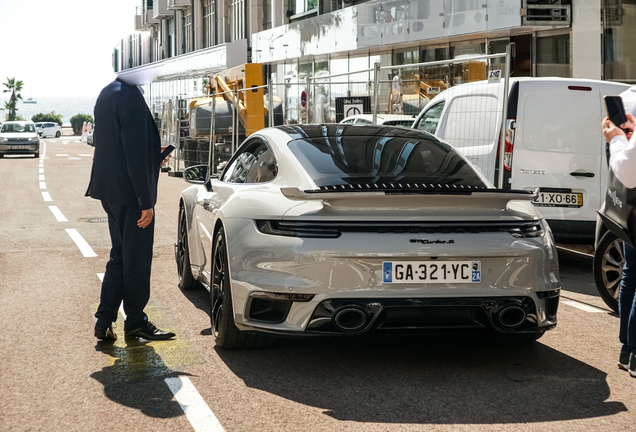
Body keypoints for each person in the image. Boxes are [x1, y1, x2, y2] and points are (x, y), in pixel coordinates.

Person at [86, 78, 175, 341]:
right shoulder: (132, 97)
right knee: (136, 260)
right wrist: (145, 202)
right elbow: (134, 155)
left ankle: (104, 321)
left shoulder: (107, 92)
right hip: (130, 194)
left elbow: (117, 146)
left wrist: (154, 155)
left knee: (120, 255)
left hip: (110, 190)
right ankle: (135, 321)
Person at [602, 91, 636, 378]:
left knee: (632, 274)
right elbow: (629, 169)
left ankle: (628, 350)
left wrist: (617, 140)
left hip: (632, 211)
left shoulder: (626, 99)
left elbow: (625, 168)